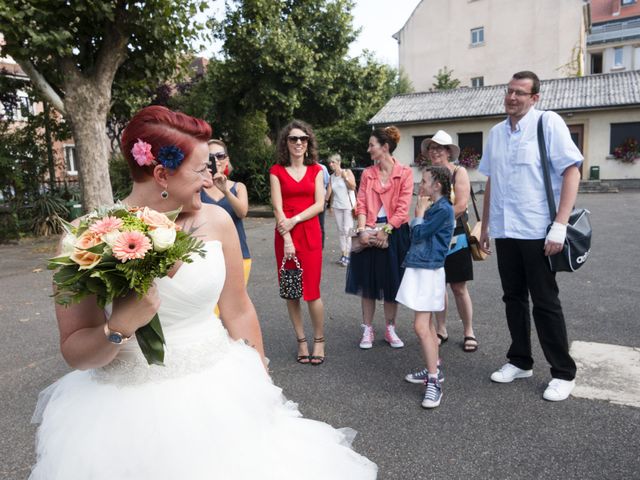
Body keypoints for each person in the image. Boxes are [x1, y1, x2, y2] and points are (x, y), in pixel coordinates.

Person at [30, 106, 378, 479]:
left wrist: (261, 380)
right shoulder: (86, 238)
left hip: (220, 393)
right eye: (201, 169)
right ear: (161, 173)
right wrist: (119, 327)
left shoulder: (217, 220)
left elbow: (238, 309)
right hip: (124, 415)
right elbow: (75, 351)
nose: (212, 177)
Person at [478, 71, 582, 402]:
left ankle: (563, 373)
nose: (512, 97)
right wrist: (485, 225)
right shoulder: (495, 133)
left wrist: (560, 225)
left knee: (545, 301)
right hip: (507, 229)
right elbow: (492, 180)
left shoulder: (547, 124)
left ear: (534, 98)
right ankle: (520, 360)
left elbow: (572, 171)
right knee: (513, 298)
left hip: (539, 230)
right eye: (509, 91)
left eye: (520, 93)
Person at [345, 126, 413, 350]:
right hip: (371, 229)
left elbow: (403, 209)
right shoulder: (368, 174)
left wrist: (387, 231)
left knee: (391, 283)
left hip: (395, 232)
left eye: (371, 145)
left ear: (385, 147)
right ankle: (367, 329)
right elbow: (362, 202)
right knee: (367, 283)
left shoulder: (404, 173)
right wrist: (363, 229)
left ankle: (390, 329)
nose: (368, 149)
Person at [269, 120, 326, 366]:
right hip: (285, 238)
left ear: (308, 142)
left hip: (310, 233)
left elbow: (319, 204)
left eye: (303, 138)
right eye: (293, 139)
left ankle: (319, 340)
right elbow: (277, 207)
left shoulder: (316, 170)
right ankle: (301, 340)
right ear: (286, 143)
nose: (299, 143)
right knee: (292, 292)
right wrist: (288, 236)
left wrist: (295, 220)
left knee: (312, 292)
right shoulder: (276, 171)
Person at [397, 166, 454, 409]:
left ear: (437, 185)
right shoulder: (438, 207)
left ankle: (434, 380)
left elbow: (418, 234)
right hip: (423, 268)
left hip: (429, 271)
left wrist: (418, 213)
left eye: (424, 182)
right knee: (427, 326)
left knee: (420, 327)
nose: (420, 186)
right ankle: (433, 369)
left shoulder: (442, 209)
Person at [421, 131, 478, 352]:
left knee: (459, 287)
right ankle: (441, 329)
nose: (434, 151)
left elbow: (462, 205)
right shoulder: (429, 173)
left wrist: (436, 222)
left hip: (456, 236)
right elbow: (422, 202)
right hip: (434, 239)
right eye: (431, 148)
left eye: (439, 148)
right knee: (438, 285)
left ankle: (469, 331)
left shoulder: (458, 172)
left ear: (448, 152)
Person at [201, 139, 251, 285]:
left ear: (227, 159)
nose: (216, 160)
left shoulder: (238, 187)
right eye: (211, 157)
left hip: (238, 254)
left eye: (220, 155)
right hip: (206, 257)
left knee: (234, 305)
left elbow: (242, 212)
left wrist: (226, 191)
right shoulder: (197, 188)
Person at [326, 153, 357, 267]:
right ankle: (343, 253)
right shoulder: (332, 177)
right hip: (337, 206)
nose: (331, 164)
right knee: (340, 230)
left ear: (339, 162)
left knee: (347, 230)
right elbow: (330, 191)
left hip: (348, 206)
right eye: (330, 162)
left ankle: (349, 255)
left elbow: (353, 187)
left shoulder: (347, 172)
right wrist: (327, 204)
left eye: (333, 162)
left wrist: (345, 178)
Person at [318, 161, 330, 248]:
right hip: (309, 201)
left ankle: (320, 246)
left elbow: (327, 182)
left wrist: (326, 199)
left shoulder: (322, 168)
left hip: (321, 199)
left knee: (320, 224)